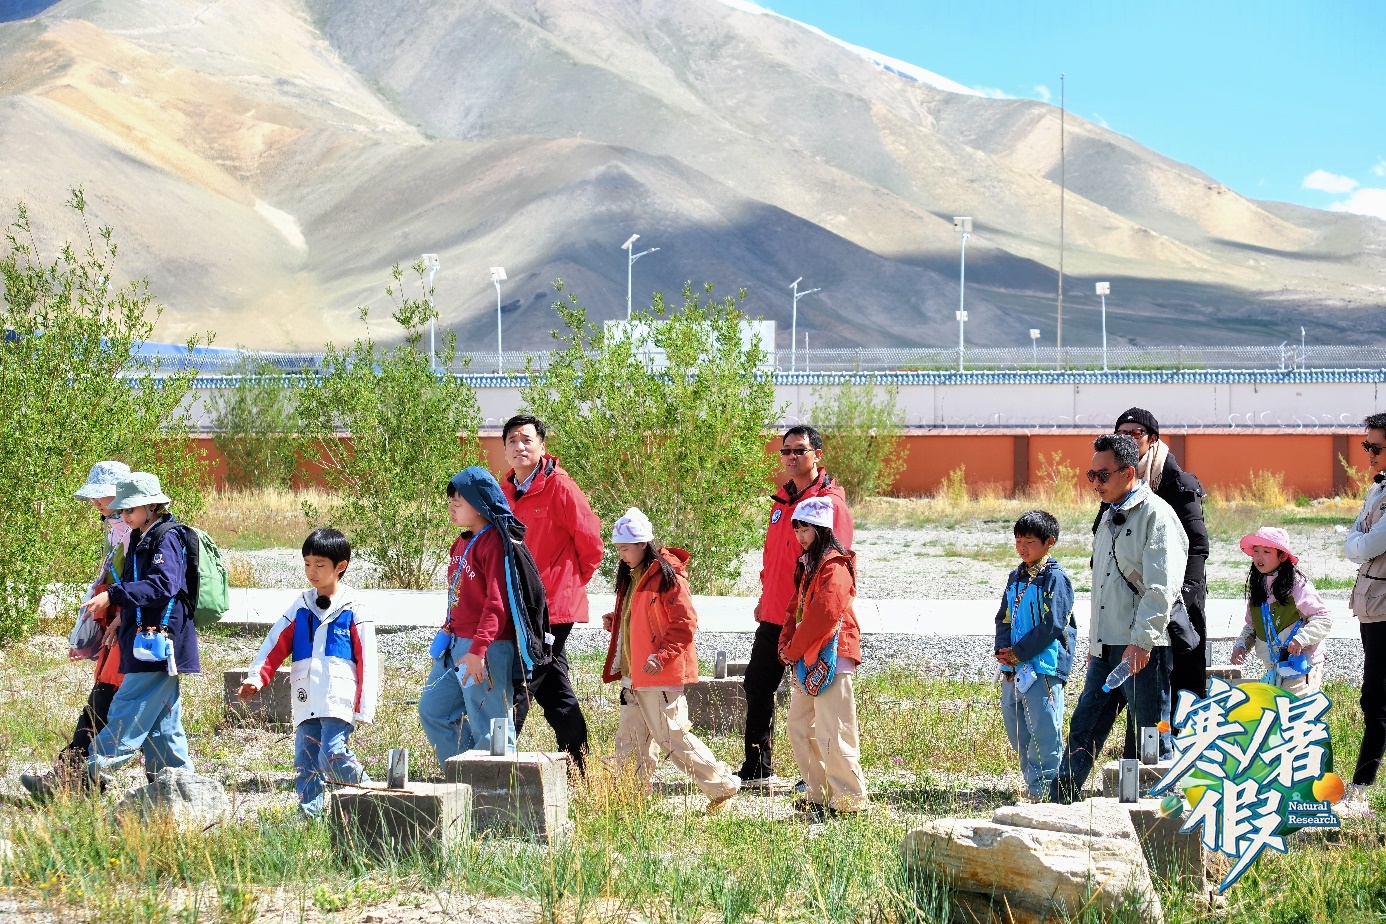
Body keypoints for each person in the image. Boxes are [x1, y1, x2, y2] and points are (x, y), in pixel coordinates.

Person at [1052, 434, 1187, 804]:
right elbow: (1103, 589)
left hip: (1143, 650)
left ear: (1129, 472)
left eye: (1102, 475)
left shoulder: (1156, 516)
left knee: (1150, 738)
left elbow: (1161, 587)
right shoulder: (1109, 516)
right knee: (1085, 726)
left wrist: (1142, 642)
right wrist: (1096, 647)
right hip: (1107, 649)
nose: (1095, 483)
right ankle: (1059, 803)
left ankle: (1163, 814)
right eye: (1090, 475)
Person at [600, 508, 740, 812]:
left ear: (641, 544)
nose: (621, 554)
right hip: (634, 673)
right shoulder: (634, 574)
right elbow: (646, 619)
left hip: (658, 674)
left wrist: (662, 656)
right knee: (630, 740)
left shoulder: (667, 575)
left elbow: (685, 623)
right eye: (618, 548)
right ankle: (631, 801)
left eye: (624, 548)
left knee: (671, 736)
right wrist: (619, 620)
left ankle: (722, 785)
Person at [740, 425, 854, 788]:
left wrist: (813, 617)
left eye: (799, 450)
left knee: (818, 699)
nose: (791, 457)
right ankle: (758, 768)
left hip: (811, 619)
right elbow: (773, 557)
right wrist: (764, 597)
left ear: (816, 454)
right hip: (776, 613)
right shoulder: (781, 502)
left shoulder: (830, 502)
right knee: (757, 684)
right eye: (785, 450)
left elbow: (836, 562)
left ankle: (818, 778)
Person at [238, 528, 378, 817]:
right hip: (306, 697)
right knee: (305, 760)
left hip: (339, 697)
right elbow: (275, 643)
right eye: (307, 563)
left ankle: (373, 794)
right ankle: (308, 816)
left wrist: (364, 706)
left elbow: (368, 659)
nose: (311, 571)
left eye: (319, 565)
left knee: (332, 753)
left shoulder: (354, 607)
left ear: (341, 567)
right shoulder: (301, 605)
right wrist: (256, 678)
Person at [419, 466, 549, 763]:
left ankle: (497, 795)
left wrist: (478, 650)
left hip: (485, 649)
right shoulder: (461, 541)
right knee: (433, 710)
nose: (451, 508)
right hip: (456, 646)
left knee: (489, 725)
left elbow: (497, 604)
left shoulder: (494, 543)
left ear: (479, 504)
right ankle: (464, 776)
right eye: (450, 502)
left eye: (458, 503)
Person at [21, 461, 132, 799]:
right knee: (121, 705)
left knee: (107, 701)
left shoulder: (131, 530)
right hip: (123, 627)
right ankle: (82, 780)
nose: (96, 501)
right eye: (93, 496)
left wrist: (120, 618)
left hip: (131, 630)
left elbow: (139, 582)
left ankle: (71, 779)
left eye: (102, 494)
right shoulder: (117, 526)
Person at [82, 472, 200, 785]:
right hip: (143, 635)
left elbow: (163, 585)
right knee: (164, 724)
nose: (123, 515)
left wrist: (114, 596)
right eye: (121, 511)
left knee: (128, 706)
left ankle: (92, 770)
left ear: (150, 506)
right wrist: (123, 616)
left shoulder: (167, 537)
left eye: (129, 510)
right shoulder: (140, 535)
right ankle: (177, 786)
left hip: (161, 639)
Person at [501, 414, 603, 774]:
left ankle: (497, 762)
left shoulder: (559, 485)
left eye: (527, 440)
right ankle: (579, 763)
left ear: (542, 445)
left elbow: (591, 543)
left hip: (554, 607)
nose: (520, 446)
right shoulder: (506, 490)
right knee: (554, 687)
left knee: (524, 680)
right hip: (520, 606)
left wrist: (570, 582)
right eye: (513, 441)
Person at [1104, 409, 1209, 711]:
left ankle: (1182, 743)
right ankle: (1142, 745)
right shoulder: (1116, 481)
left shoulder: (1178, 482)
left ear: (1152, 439)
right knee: (1138, 676)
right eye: (1121, 433)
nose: (1128, 438)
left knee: (1182, 680)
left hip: (1178, 598)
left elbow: (1197, 547)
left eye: (1136, 433)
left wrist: (1181, 595)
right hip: (1132, 596)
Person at [777, 496, 868, 816]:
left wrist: (792, 648)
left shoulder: (836, 565)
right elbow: (796, 607)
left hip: (833, 653)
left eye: (806, 529)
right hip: (807, 656)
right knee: (798, 726)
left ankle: (849, 801)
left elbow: (825, 614)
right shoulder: (808, 565)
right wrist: (785, 641)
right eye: (797, 529)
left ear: (822, 529)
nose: (800, 536)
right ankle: (819, 792)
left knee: (835, 730)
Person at [994, 510, 1077, 802]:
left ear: (1049, 542)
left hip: (1043, 666)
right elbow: (1003, 617)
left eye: (1029, 541)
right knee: (1016, 727)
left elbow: (1053, 624)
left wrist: (1020, 652)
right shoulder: (1016, 576)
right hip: (1014, 667)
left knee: (1044, 728)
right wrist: (1004, 651)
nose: (1022, 547)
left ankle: (1045, 790)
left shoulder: (1056, 579)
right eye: (1018, 540)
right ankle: (1032, 784)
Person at [1230, 527, 1330, 696]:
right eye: (1256, 551)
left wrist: (1301, 639)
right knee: (1277, 717)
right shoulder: (1259, 587)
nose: (1259, 557)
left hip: (1301, 664)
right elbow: (1253, 625)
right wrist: (1241, 646)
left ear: (1282, 556)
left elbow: (1323, 617)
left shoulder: (1297, 585)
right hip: (1275, 668)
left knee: (1292, 716)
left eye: (1266, 551)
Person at [1344, 412, 1386, 808]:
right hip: (1372, 607)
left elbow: (1364, 545)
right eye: (1366, 446)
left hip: (1383, 609)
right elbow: (1355, 540)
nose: (1368, 454)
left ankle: (1361, 790)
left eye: (1375, 447)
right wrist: (1359, 540)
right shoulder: (1378, 490)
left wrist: (1358, 541)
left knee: (1377, 699)